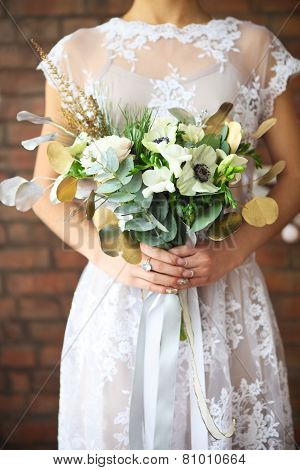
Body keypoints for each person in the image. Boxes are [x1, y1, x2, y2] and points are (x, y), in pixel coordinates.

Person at [33, 0, 300, 449]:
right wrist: (108, 253)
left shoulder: (255, 46)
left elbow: (295, 174)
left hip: (226, 294)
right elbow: (45, 186)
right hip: (119, 296)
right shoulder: (76, 53)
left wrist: (232, 251)